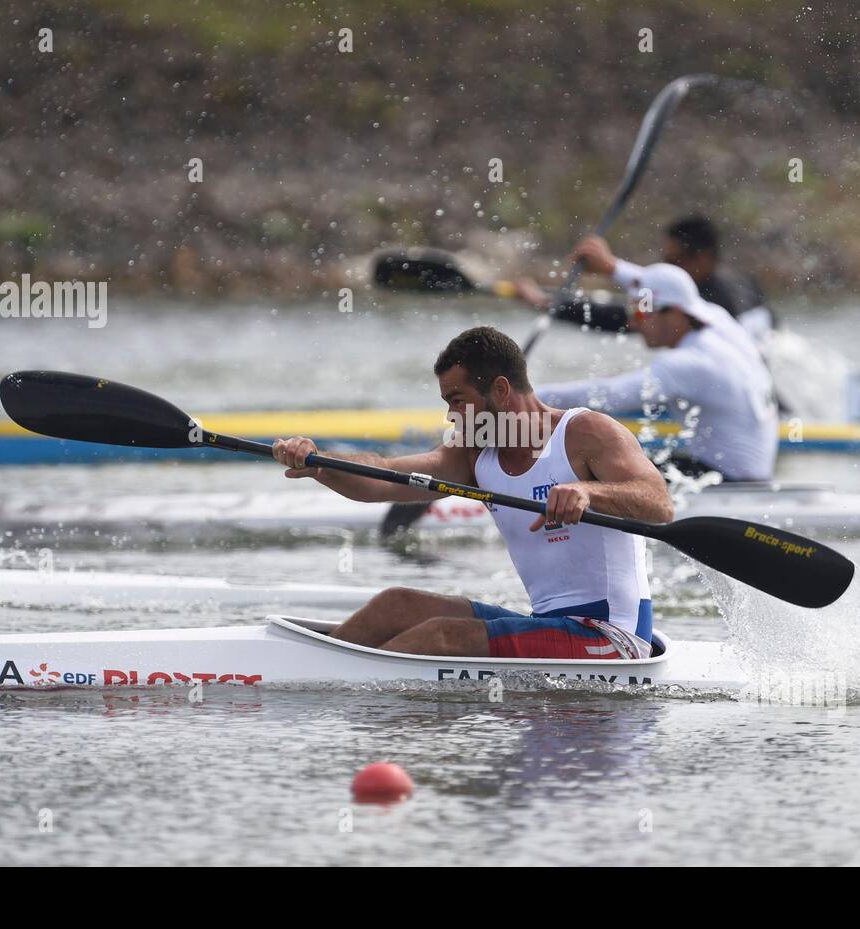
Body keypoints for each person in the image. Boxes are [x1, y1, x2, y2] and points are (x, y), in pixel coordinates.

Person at [272, 326, 671, 660]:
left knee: (442, 636)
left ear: (499, 390)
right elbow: (386, 476)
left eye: (457, 401)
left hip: (612, 638)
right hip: (548, 626)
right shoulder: (475, 453)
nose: (450, 416)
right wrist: (320, 463)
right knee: (398, 604)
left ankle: (342, 685)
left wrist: (587, 492)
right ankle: (309, 669)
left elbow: (659, 504)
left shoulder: (586, 433)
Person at [538, 263, 778, 481]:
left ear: (673, 312)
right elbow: (672, 285)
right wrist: (612, 267)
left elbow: (608, 395)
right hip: (748, 473)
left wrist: (528, 397)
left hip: (728, 484)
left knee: (587, 463)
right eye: (632, 310)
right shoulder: (719, 320)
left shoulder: (689, 363)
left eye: (640, 312)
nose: (633, 322)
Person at [514, 215, 776, 344]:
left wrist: (550, 304)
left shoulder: (716, 302)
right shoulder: (743, 284)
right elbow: (636, 314)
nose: (665, 268)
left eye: (674, 261)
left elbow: (625, 318)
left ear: (704, 259)